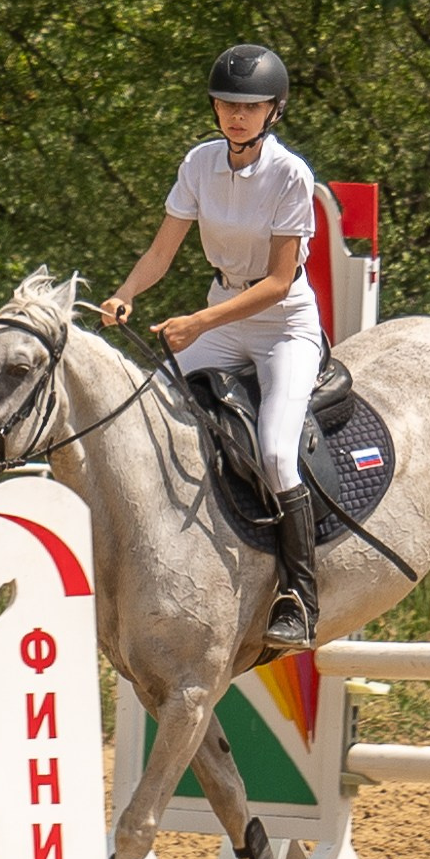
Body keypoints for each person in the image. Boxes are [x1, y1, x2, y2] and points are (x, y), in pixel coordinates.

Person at [100, 44, 326, 649]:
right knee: (148, 410)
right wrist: (125, 294)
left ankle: (300, 600)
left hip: (283, 326)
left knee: (276, 453)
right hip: (222, 312)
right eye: (227, 104)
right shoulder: (199, 163)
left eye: (250, 107)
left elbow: (278, 283)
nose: (237, 115)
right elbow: (161, 253)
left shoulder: (291, 174)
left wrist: (198, 322)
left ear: (274, 111)